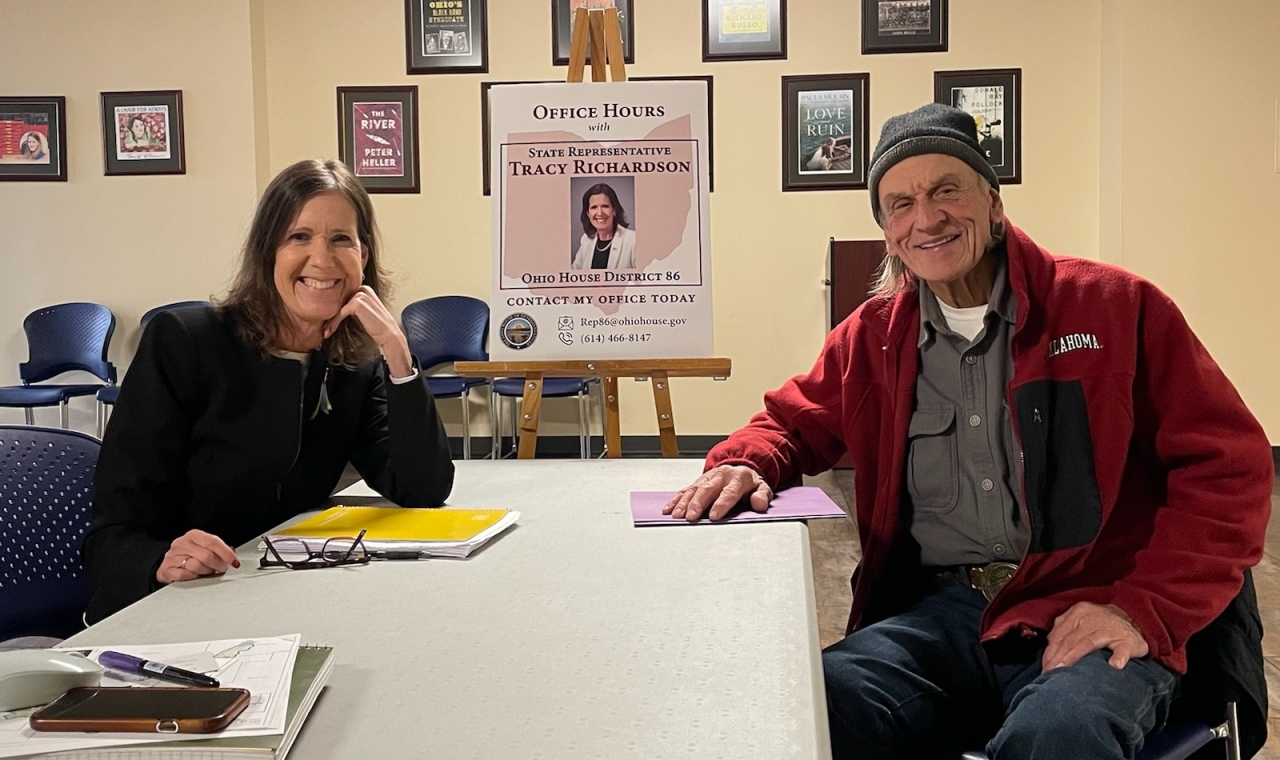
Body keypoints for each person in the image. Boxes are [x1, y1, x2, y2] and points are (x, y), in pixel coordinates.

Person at [663, 104, 1272, 759]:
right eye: (901, 203)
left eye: (946, 190)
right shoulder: (872, 341)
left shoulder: (1115, 308)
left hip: (1095, 605)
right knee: (813, 704)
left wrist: (1139, 609)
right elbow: (788, 422)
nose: (927, 217)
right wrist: (749, 462)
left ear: (993, 201)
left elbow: (1229, 469)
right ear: (888, 233)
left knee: (1058, 735)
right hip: (950, 614)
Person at [83, 159, 455, 623]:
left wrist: (397, 352)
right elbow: (110, 536)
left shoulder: (352, 365)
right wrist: (160, 560)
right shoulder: (184, 341)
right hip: (174, 609)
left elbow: (423, 489)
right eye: (299, 237)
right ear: (267, 253)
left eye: (341, 239)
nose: (322, 259)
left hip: (287, 602)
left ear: (364, 256)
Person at [571, 182, 636, 270]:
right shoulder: (586, 240)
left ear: (614, 210)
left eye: (605, 206)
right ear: (588, 213)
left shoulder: (633, 240)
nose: (600, 213)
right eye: (594, 207)